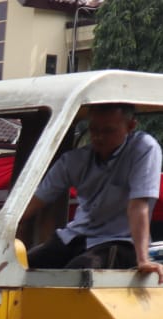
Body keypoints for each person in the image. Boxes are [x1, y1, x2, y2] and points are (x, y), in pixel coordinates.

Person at [22, 102, 163, 279]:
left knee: (79, 272)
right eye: (94, 130)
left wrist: (143, 260)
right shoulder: (75, 160)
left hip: (120, 241)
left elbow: (139, 206)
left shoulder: (143, 149)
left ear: (130, 126)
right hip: (77, 236)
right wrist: (2, 228)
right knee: (21, 265)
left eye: (108, 130)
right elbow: (37, 199)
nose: (99, 137)